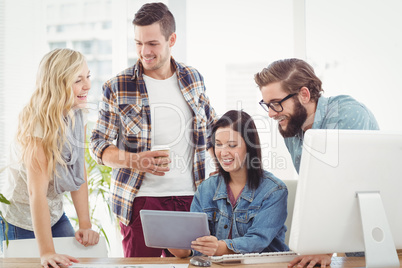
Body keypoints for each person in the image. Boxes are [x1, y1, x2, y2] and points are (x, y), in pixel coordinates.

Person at [90, 2, 216, 257]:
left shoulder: (194, 78)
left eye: (152, 44)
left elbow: (213, 131)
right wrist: (135, 160)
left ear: (172, 39)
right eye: (138, 43)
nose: (144, 51)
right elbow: (98, 144)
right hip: (140, 202)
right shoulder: (118, 86)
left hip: (191, 199)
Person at [254, 58, 379, 267]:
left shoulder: (347, 114)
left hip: (385, 236)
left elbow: (345, 187)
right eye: (267, 105)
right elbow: (317, 192)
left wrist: (324, 247)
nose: (271, 113)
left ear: (304, 94)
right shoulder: (291, 130)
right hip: (355, 246)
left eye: (276, 103)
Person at [0, 48, 99, 268]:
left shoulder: (77, 113)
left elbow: (78, 169)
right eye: (78, 80)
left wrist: (85, 224)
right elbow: (37, 193)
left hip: (54, 214)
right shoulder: (37, 127)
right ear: (58, 83)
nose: (87, 85)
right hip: (21, 219)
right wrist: (46, 252)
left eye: (88, 76)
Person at [169, 110, 289, 258]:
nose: (224, 152)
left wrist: (219, 247)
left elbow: (257, 241)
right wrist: (183, 249)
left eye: (232, 145)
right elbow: (197, 244)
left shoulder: (274, 191)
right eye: (218, 145)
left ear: (250, 147)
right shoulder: (206, 189)